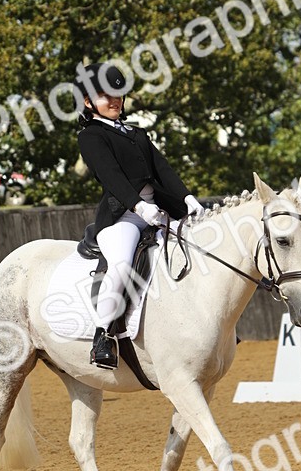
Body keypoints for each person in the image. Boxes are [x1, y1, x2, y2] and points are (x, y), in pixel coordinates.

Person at [76, 61, 205, 368]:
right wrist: (138, 205)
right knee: (121, 265)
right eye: (106, 96)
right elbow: (111, 175)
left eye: (118, 95)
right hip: (122, 216)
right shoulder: (91, 136)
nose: (115, 101)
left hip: (158, 211)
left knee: (195, 249)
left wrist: (188, 199)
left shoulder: (136, 133)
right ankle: (103, 336)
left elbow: (163, 169)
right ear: (88, 102)